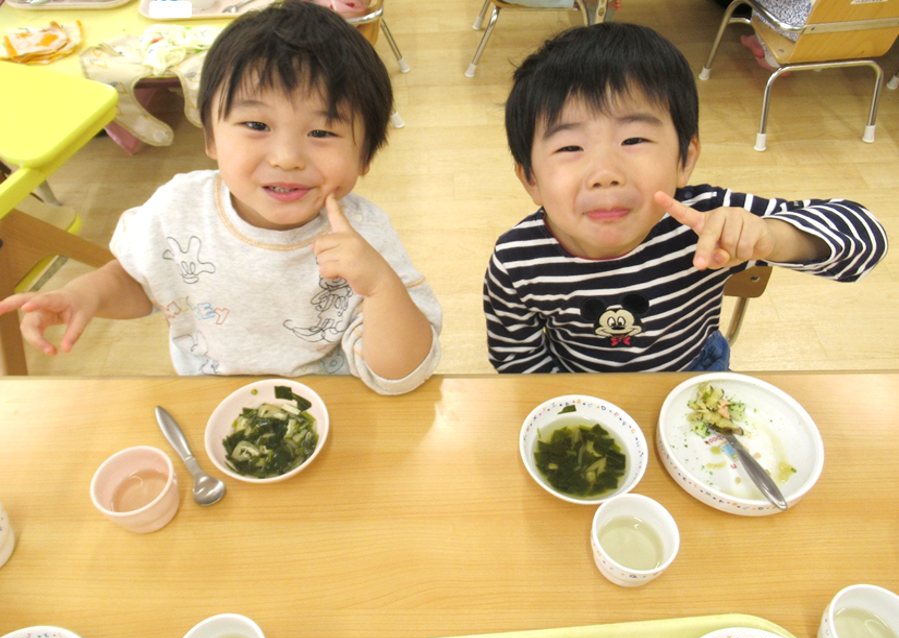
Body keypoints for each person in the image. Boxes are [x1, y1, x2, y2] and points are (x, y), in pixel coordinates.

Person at [0, 0, 442, 395]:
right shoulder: (178, 209)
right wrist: (86, 295)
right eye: (256, 125)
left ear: (366, 155)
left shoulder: (365, 237)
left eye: (322, 132)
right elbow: (142, 281)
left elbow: (403, 373)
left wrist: (381, 286)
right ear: (210, 138)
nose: (287, 158)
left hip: (333, 408)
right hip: (213, 400)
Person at [483, 22, 887, 374]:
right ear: (530, 177)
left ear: (685, 159)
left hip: (695, 372)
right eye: (570, 148)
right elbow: (517, 358)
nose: (604, 174)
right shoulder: (516, 260)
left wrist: (770, 236)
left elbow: (866, 237)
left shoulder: (705, 217)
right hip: (581, 385)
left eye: (634, 139)